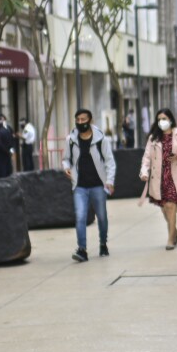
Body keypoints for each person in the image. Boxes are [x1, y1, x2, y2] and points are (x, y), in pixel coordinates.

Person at [63, 108, 115, 261]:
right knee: (80, 216)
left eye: (83, 119)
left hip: (98, 185)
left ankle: (103, 243)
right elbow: (66, 158)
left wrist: (110, 181)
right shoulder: (71, 140)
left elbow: (109, 161)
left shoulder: (101, 139)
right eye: (77, 120)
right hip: (79, 186)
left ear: (90, 121)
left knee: (102, 217)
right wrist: (66, 168)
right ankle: (82, 249)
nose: (80, 123)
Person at [139, 108, 177, 249]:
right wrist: (143, 172)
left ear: (171, 120)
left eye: (164, 119)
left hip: (174, 175)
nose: (162, 122)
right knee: (165, 209)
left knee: (171, 206)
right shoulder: (153, 138)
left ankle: (170, 239)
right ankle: (175, 231)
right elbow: (146, 158)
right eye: (159, 119)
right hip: (158, 178)